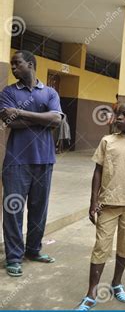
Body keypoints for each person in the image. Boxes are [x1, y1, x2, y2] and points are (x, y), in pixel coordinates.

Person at [76, 103, 125, 310]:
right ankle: (91, 291)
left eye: (124, 115)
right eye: (117, 114)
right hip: (107, 205)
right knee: (101, 246)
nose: (118, 118)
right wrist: (93, 201)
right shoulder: (107, 141)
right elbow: (98, 172)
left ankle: (117, 282)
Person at [0, 50, 63, 277]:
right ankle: (14, 257)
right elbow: (9, 122)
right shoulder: (8, 92)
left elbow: (56, 119)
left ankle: (33, 250)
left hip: (44, 160)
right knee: (13, 209)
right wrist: (42, 119)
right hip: (16, 161)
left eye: (17, 64)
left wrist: (20, 113)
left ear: (30, 64)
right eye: (11, 65)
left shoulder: (49, 91)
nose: (14, 68)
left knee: (39, 208)